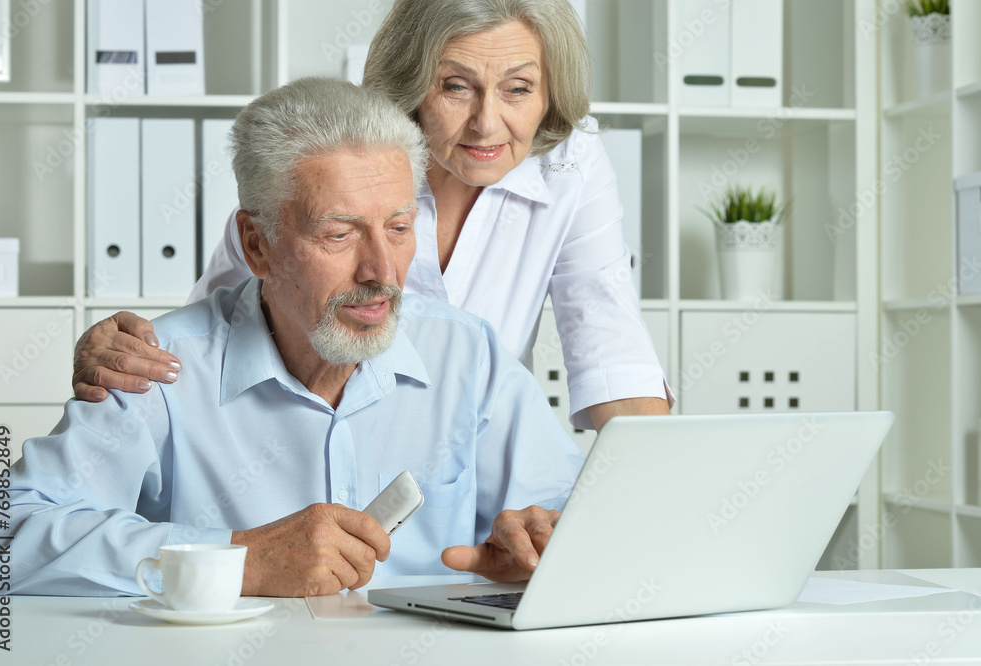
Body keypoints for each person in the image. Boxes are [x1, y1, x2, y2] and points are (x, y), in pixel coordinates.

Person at [0, 78, 584, 598]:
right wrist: (239, 558)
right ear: (257, 245)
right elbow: (0, 540)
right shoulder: (156, 368)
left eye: (399, 228)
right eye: (339, 235)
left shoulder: (465, 355)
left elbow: (579, 524)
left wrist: (542, 547)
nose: (381, 271)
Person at [71, 0, 673, 432]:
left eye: (518, 89)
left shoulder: (571, 160)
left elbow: (610, 346)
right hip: (308, 442)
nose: (488, 125)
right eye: (456, 87)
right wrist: (125, 361)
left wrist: (655, 492)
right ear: (411, 86)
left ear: (549, 93)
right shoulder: (346, 152)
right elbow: (216, 332)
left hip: (470, 457)